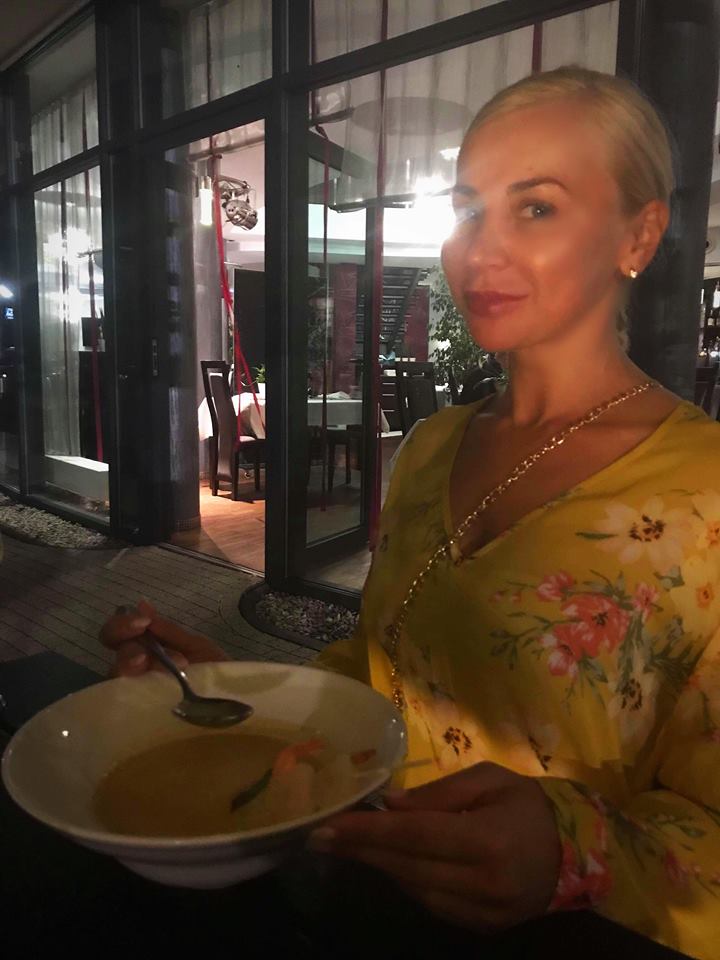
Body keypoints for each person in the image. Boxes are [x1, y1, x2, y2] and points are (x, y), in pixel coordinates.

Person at [102, 67, 720, 959]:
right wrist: (244, 693)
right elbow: (382, 673)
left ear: (639, 233)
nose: (478, 249)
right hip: (365, 886)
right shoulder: (431, 445)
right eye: (468, 208)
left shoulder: (702, 487)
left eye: (536, 207)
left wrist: (571, 850)